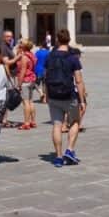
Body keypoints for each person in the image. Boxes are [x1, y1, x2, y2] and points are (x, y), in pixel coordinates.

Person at [43, 29, 86, 167]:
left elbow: (45, 77)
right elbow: (78, 80)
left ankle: (58, 156)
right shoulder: (73, 58)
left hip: (53, 95)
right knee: (75, 121)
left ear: (57, 39)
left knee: (57, 125)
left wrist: (46, 94)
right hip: (69, 95)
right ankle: (70, 149)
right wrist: (82, 100)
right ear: (69, 39)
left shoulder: (50, 56)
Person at [16, 39, 37, 130]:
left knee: (26, 102)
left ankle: (26, 122)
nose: (19, 44)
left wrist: (19, 84)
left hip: (25, 80)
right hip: (32, 79)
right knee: (31, 101)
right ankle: (33, 121)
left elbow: (23, 71)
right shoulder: (31, 55)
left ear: (24, 46)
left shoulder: (24, 57)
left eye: (21, 43)